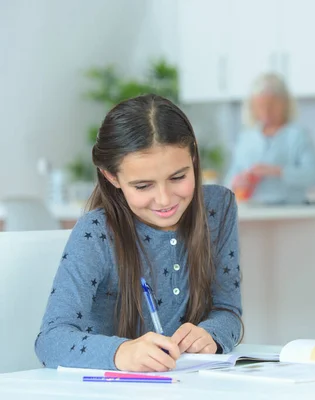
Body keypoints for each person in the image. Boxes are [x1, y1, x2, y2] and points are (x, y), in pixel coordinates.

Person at [35, 94, 242, 371]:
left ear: (193, 155)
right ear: (112, 177)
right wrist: (122, 353)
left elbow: (228, 311)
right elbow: (50, 341)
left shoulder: (218, 208)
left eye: (178, 177)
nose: (165, 199)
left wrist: (211, 335)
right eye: (143, 186)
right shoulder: (97, 232)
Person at [224, 73, 315, 204]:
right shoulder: (245, 138)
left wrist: (277, 171)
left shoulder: (297, 135)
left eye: (272, 104)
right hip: (251, 212)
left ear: (284, 104)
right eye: (260, 105)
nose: (266, 111)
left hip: (290, 211)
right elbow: (229, 181)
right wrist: (238, 180)